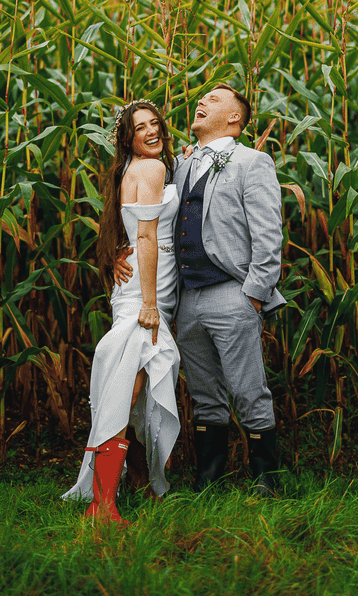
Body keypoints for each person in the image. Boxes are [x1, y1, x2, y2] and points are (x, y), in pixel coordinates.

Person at [117, 83, 287, 493]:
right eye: (201, 98)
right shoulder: (181, 165)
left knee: (249, 390)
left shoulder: (253, 162)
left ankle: (267, 477)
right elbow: (146, 220)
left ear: (234, 118)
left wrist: (253, 295)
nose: (201, 102)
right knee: (205, 393)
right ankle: (209, 476)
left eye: (213, 99)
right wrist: (118, 253)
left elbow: (269, 237)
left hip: (232, 292)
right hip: (187, 298)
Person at [62, 100, 181, 526]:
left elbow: (123, 226)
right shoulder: (151, 170)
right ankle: (103, 504)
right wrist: (149, 304)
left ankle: (136, 485)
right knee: (128, 390)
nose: (150, 132)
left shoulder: (132, 168)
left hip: (139, 287)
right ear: (127, 138)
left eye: (155, 124)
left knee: (135, 389)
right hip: (144, 294)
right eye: (139, 128)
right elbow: (146, 236)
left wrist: (116, 257)